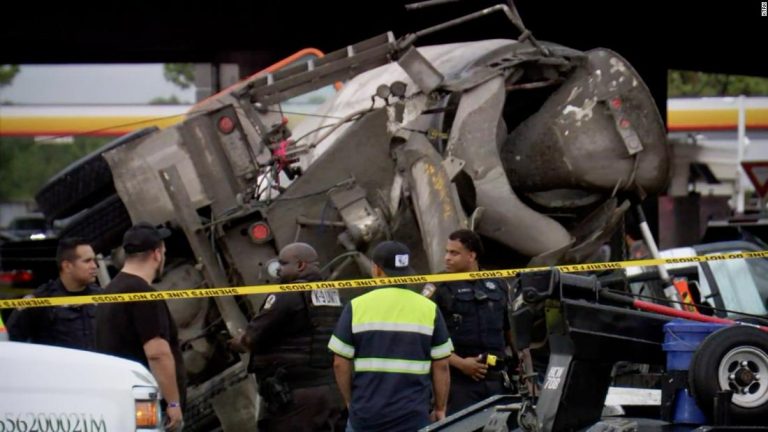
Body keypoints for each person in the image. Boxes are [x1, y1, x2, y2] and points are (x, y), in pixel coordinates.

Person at [329, 241, 452, 432]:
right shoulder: (429, 309)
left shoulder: (356, 307)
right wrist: (440, 408)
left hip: (366, 417)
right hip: (413, 417)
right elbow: (442, 365)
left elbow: (339, 363)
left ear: (376, 270)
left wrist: (350, 403)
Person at [230, 242, 345, 432]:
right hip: (331, 392)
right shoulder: (334, 296)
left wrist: (236, 342)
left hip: (297, 397)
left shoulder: (287, 294)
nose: (278, 272)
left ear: (300, 265)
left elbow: (251, 339)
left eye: (282, 265)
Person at [95, 222, 185, 431]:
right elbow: (157, 354)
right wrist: (173, 404)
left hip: (122, 398)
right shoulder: (144, 294)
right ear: (156, 254)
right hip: (145, 399)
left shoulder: (110, 292)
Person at [423, 229, 514, 414]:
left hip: (497, 381)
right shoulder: (438, 287)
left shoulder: (499, 284)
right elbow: (424, 339)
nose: (447, 258)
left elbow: (511, 331)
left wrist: (524, 370)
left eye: (454, 253)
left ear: (472, 255)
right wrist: (461, 364)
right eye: (446, 252)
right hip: (458, 385)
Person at [7, 237, 100, 350]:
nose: (94, 266)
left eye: (94, 260)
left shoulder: (102, 297)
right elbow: (11, 341)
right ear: (67, 266)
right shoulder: (40, 300)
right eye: (87, 261)